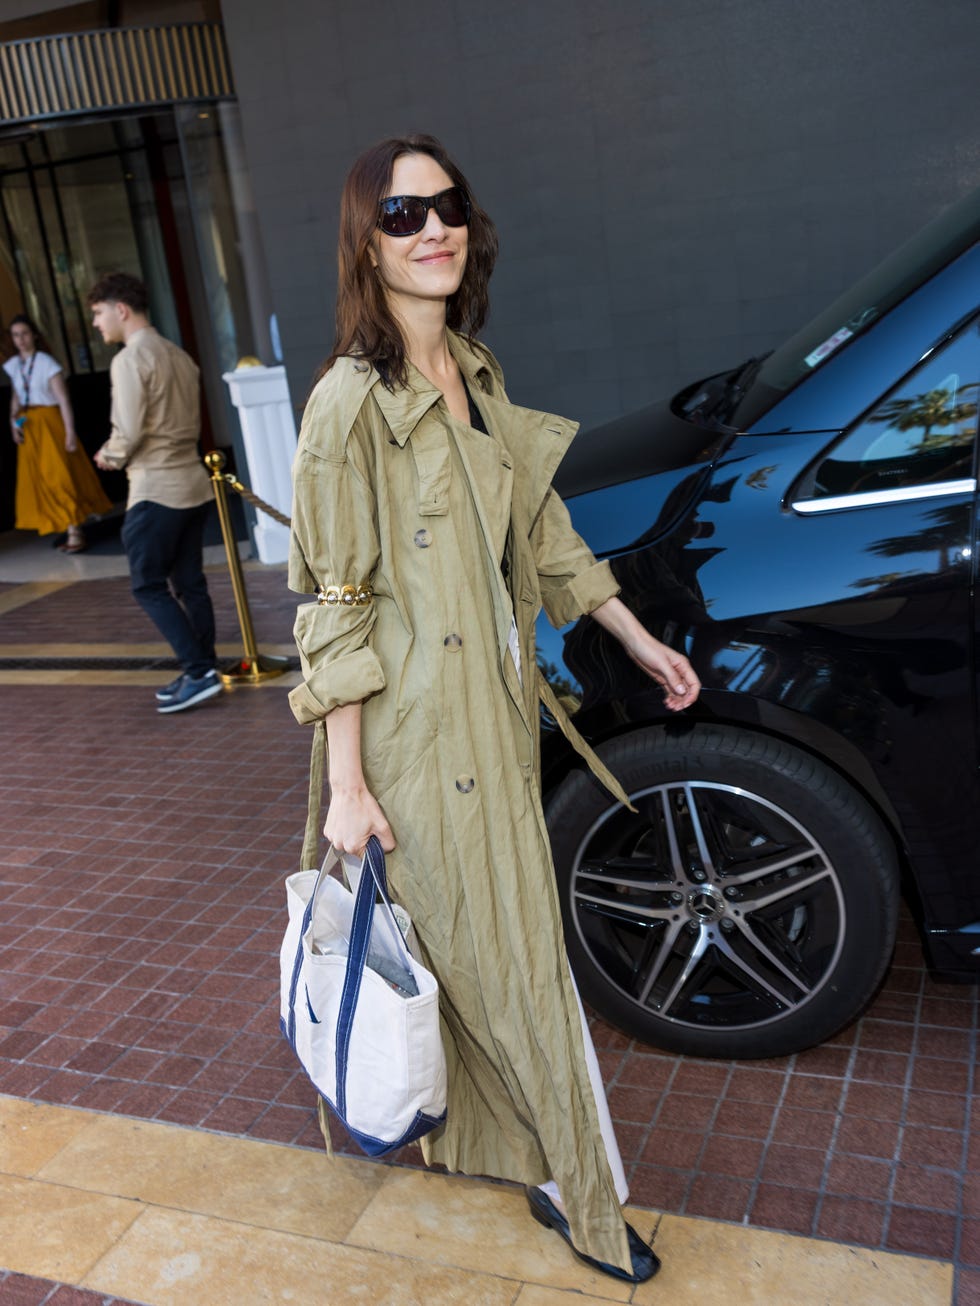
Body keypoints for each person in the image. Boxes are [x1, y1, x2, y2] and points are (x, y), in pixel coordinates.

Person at [287, 135, 701, 1284]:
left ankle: (533, 1157)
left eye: (448, 207)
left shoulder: (474, 370)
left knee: (494, 960)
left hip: (496, 725)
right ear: (365, 244)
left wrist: (631, 632)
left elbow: (542, 532)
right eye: (403, 213)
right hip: (417, 749)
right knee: (510, 963)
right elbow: (334, 607)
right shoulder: (344, 406)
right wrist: (351, 788)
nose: (433, 229)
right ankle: (584, 1195)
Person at [88, 273, 222, 715]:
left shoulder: (130, 360)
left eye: (98, 312)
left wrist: (109, 454)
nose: (96, 323)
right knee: (189, 582)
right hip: (193, 483)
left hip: (155, 488)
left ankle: (198, 671)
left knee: (147, 584)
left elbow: (127, 431)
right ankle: (203, 669)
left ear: (120, 309)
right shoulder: (178, 354)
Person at [5, 314, 111, 552]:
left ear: (33, 335)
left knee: (59, 475)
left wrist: (70, 432)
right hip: (29, 424)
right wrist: (14, 425)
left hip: (50, 423)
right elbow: (15, 398)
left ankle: (75, 529)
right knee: (40, 479)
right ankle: (64, 524)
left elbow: (63, 400)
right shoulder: (15, 365)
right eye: (15, 335)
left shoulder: (46, 363)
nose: (20, 340)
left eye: (24, 334)